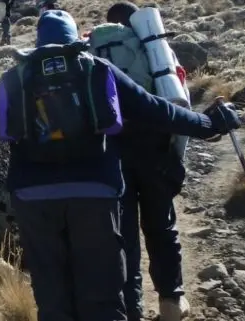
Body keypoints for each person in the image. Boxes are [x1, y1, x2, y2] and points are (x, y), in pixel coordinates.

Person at [0, 9, 241, 321]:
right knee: (104, 293)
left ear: (39, 42)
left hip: (33, 200)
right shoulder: (97, 69)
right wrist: (209, 123)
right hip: (95, 195)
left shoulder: (13, 80)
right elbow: (156, 110)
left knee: (52, 293)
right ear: (74, 39)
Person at [86, 2, 192, 320]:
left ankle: (130, 309)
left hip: (112, 152)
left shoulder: (94, 54)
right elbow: (179, 101)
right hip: (155, 147)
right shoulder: (155, 50)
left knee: (125, 235)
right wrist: (176, 157)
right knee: (161, 225)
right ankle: (171, 302)